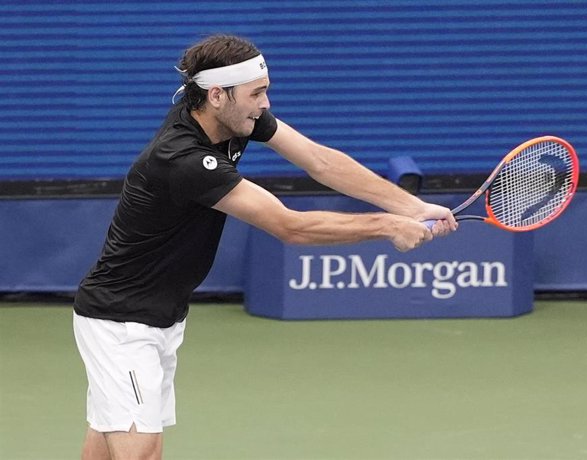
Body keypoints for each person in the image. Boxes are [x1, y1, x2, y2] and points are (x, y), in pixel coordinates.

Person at [73, 34, 458, 460]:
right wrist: (387, 226)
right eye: (257, 93)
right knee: (141, 451)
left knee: (107, 443)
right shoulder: (182, 158)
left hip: (160, 317)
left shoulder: (233, 119)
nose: (266, 104)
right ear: (218, 95)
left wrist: (412, 205)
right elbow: (290, 227)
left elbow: (321, 161)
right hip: (121, 323)